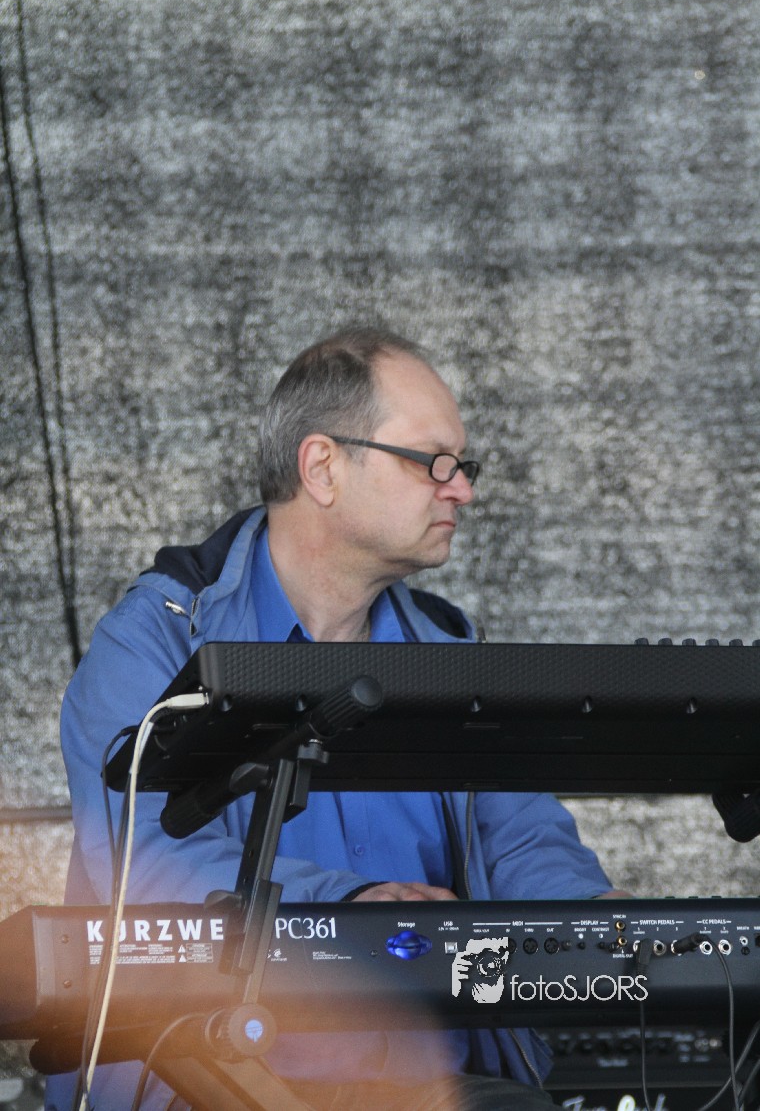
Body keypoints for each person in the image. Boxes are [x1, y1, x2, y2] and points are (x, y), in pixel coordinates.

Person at [47, 327, 623, 1111]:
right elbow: (146, 867)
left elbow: (518, 836)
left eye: (464, 466)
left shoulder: (450, 652)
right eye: (433, 462)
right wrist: (352, 906)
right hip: (205, 1077)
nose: (462, 490)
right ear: (322, 467)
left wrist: (601, 928)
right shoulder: (157, 638)